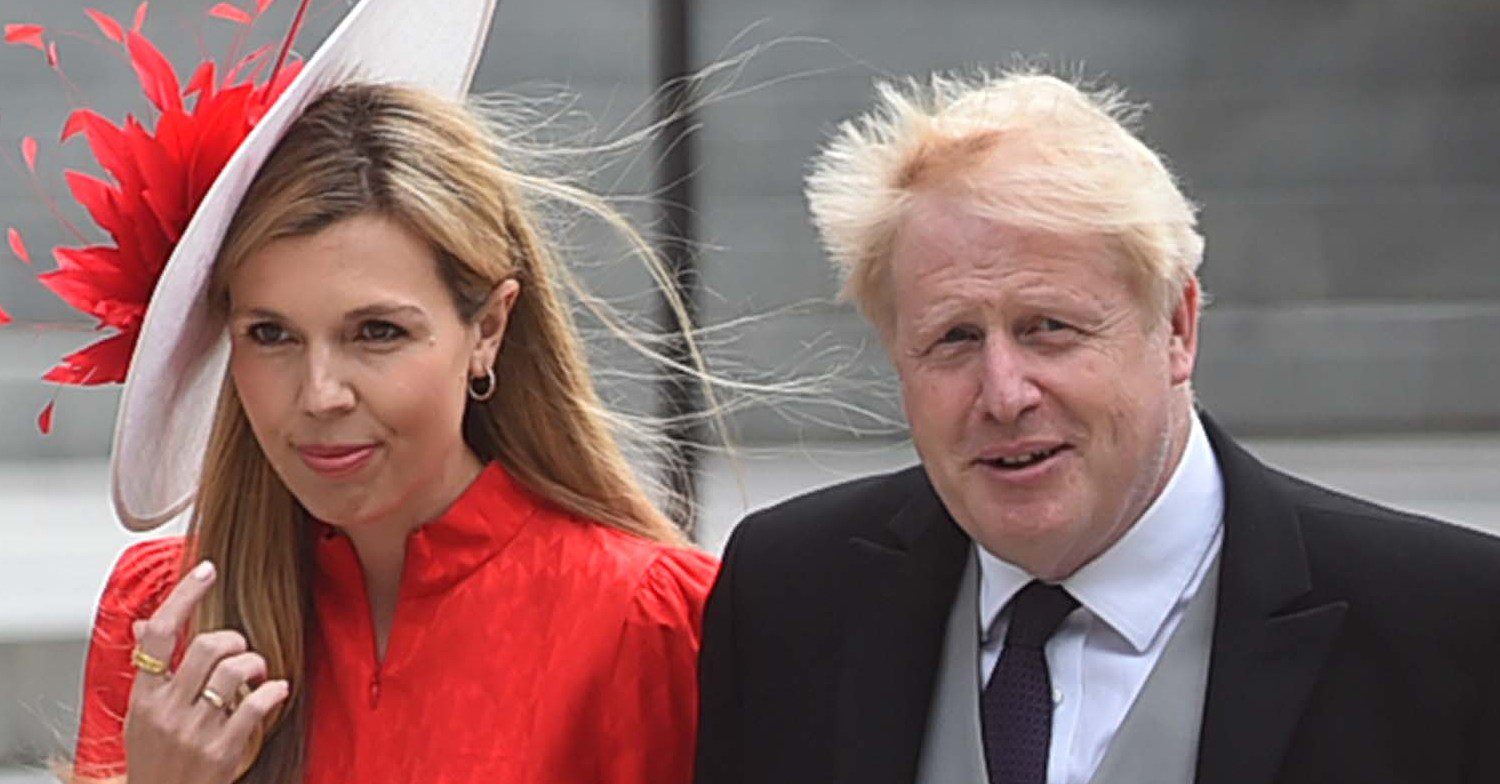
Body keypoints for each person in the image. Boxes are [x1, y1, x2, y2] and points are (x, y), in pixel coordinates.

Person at [693, 68, 1500, 784]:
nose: (1004, 394)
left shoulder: (1448, 627)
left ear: (1178, 327)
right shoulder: (792, 598)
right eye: (955, 339)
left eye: (1050, 327)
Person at [29, 1, 715, 782]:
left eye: (377, 333)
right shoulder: (165, 617)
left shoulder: (651, 617)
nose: (320, 394)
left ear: (488, 327)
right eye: (272, 334)